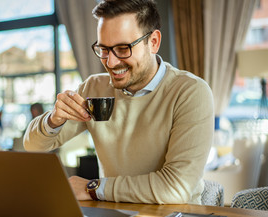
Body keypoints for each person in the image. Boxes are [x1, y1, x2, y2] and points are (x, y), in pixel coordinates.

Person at [23, 0, 214, 204]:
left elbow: (176, 189)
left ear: (154, 42)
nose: (111, 62)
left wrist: (93, 187)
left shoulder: (190, 92)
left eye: (123, 49)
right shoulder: (93, 88)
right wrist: (53, 120)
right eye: (103, 49)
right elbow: (33, 147)